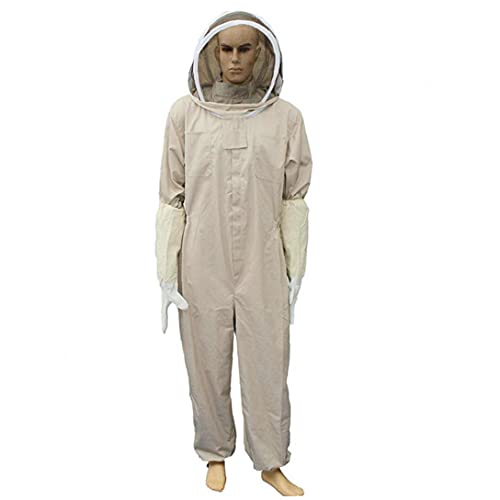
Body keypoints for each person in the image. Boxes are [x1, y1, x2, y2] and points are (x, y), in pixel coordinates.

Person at [155, 11, 312, 496]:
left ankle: (270, 461)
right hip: (201, 260)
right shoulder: (185, 114)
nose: (235, 59)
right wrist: (166, 272)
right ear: (211, 52)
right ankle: (214, 453)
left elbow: (293, 198)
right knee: (205, 360)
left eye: (245, 49)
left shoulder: (285, 118)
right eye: (226, 49)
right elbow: (172, 197)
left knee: (269, 361)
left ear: (262, 52)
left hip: (263, 260)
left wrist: (295, 268)